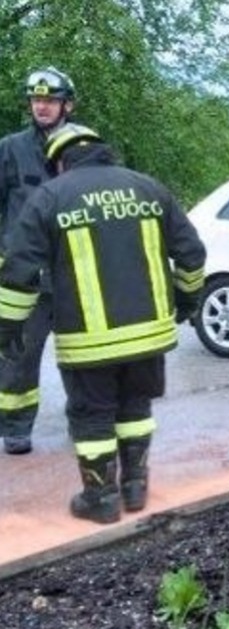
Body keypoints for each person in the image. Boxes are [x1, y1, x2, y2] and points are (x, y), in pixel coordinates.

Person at [0, 123, 207, 524]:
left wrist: (8, 329)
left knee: (91, 416)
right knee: (136, 407)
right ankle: (135, 486)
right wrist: (187, 301)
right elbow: (192, 254)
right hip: (149, 335)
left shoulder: (50, 196)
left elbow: (19, 273)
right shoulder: (148, 188)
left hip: (88, 340)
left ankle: (100, 498)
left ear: (60, 161)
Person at [0, 67, 77, 455]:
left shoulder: (84, 150)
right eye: (36, 100)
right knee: (20, 356)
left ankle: (87, 422)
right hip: (25, 279)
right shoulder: (10, 149)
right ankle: (16, 428)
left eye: (49, 100)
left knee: (84, 355)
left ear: (68, 105)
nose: (41, 106)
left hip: (75, 273)